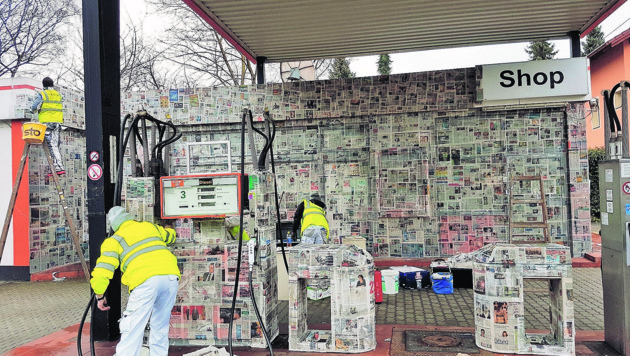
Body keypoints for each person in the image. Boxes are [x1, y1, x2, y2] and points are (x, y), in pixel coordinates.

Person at [90, 206, 180, 356]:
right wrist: (169, 226)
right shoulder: (149, 227)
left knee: (132, 328)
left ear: (113, 226)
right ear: (130, 218)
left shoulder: (114, 241)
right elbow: (170, 236)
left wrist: (99, 296)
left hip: (145, 282)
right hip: (170, 277)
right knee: (160, 325)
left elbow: (102, 272)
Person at [30, 77, 65, 175]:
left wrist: (31, 111)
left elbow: (34, 107)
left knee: (52, 145)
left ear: (43, 85)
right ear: (52, 84)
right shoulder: (58, 95)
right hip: (57, 123)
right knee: (55, 145)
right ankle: (56, 166)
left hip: (47, 123)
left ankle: (58, 167)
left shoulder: (42, 94)